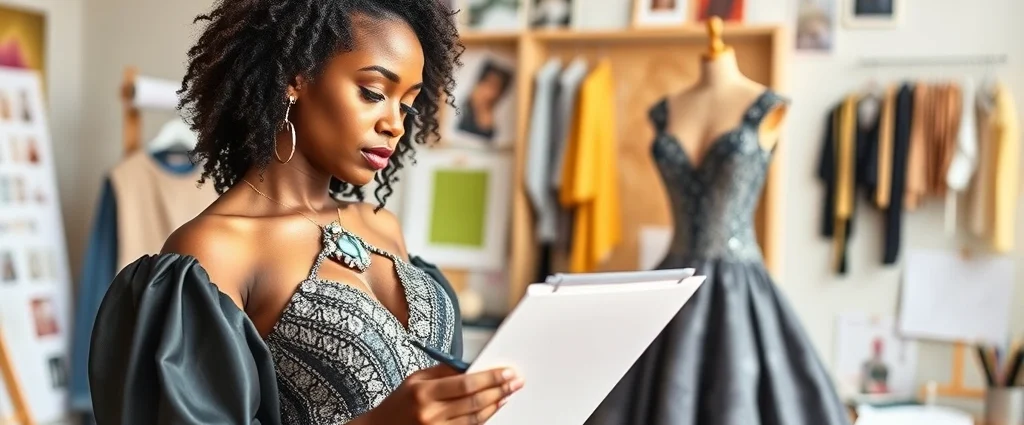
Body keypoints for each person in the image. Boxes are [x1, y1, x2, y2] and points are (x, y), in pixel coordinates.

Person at [86, 1, 524, 424]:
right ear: (294, 78)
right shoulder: (213, 251)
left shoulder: (381, 226)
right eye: (373, 93)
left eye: (406, 104)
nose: (395, 124)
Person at [457, 61, 512, 141]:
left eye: (494, 88)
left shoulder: (489, 120)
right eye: (486, 83)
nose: (487, 92)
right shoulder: (461, 107)